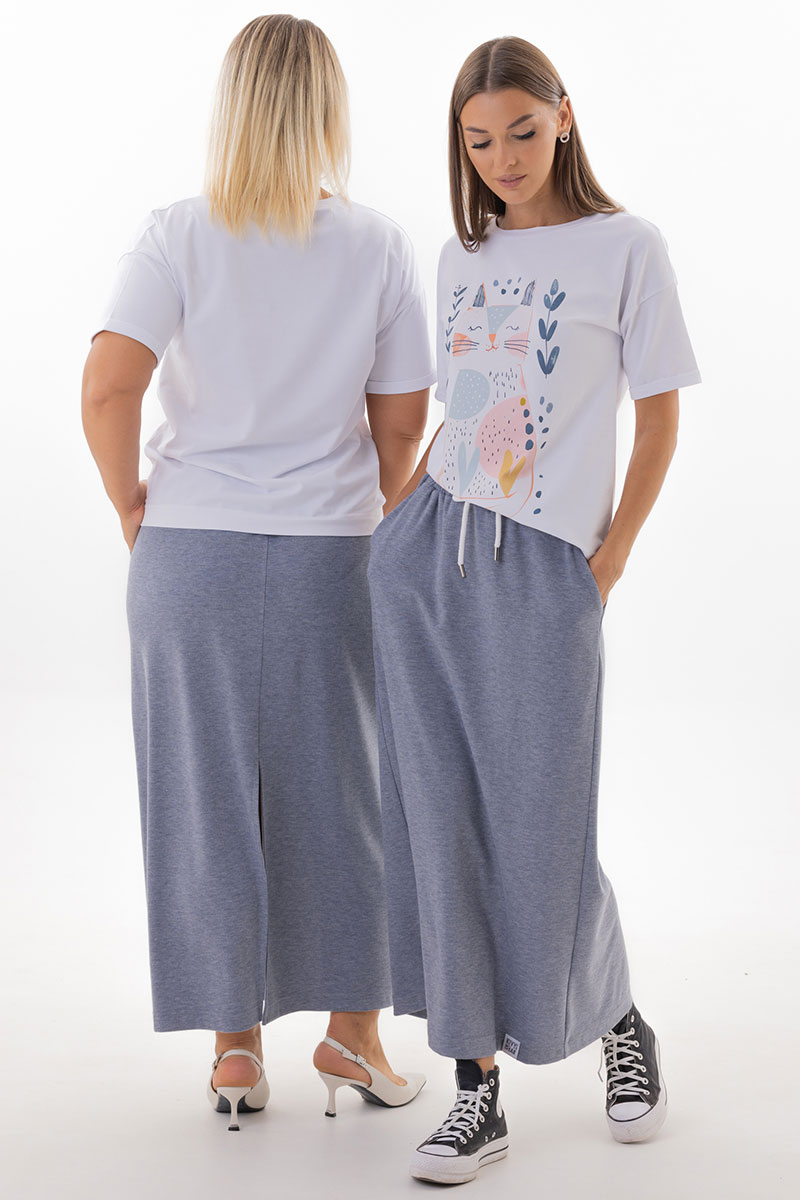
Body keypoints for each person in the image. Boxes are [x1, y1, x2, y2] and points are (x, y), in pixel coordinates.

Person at [80, 14, 434, 1132]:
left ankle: (235, 1049)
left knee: (205, 800)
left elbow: (107, 387)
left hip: (188, 556)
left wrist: (132, 504)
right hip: (334, 556)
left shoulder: (176, 233)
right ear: (327, 111)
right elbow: (400, 430)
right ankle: (353, 1034)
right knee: (350, 797)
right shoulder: (376, 244)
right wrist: (385, 515)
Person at [366, 35, 702, 1185]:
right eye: (477, 141)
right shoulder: (461, 255)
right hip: (428, 557)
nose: (502, 158)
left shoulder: (627, 248)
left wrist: (604, 566)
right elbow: (463, 408)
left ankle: (618, 1022)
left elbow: (657, 417)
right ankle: (475, 1093)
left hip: (547, 568)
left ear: (562, 115)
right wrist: (396, 530)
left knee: (543, 827)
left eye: (519, 129)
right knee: (439, 823)